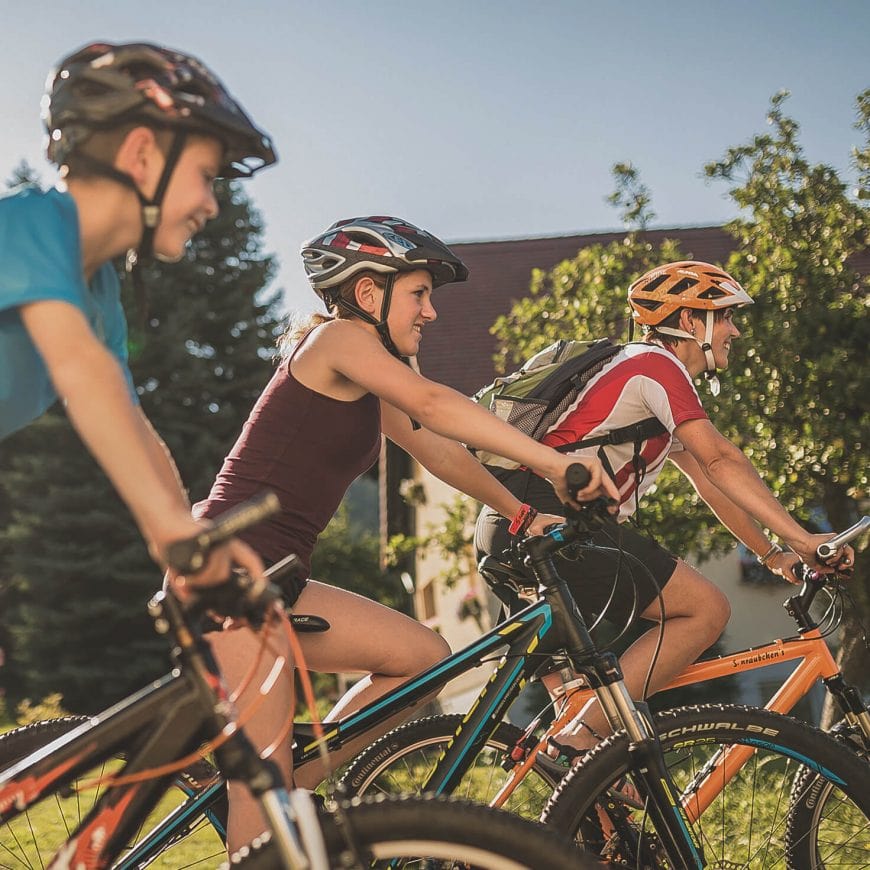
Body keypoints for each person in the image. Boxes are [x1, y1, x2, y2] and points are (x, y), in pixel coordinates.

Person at [194, 215, 619, 849]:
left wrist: (521, 511)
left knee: (421, 657)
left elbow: (438, 450)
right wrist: (554, 464)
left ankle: (289, 774)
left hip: (278, 578)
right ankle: (266, 793)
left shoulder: (366, 376)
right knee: (264, 844)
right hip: (229, 571)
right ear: (369, 295)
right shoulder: (336, 342)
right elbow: (434, 404)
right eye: (419, 295)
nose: (431, 313)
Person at [474, 260, 855, 762]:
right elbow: (722, 459)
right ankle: (587, 732)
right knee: (705, 609)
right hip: (558, 519)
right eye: (726, 317)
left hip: (506, 525)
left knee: (578, 759)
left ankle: (585, 809)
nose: (736, 331)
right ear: (692, 324)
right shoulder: (656, 366)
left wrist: (770, 553)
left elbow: (709, 482)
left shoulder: (634, 378)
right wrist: (806, 540)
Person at [0, 41, 276, 585]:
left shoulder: (97, 293)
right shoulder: (28, 224)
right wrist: (171, 531)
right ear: (141, 154)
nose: (212, 204)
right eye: (205, 175)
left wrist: (186, 547)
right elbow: (82, 370)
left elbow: (134, 428)